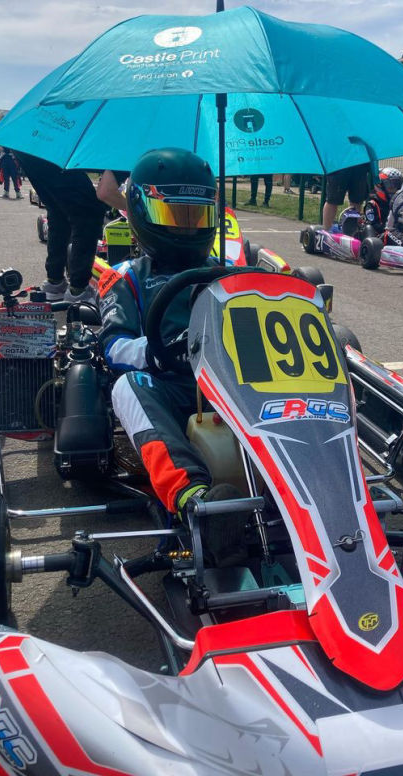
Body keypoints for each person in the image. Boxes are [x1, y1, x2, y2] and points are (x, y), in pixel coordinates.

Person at [98, 147, 245, 565]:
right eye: (175, 215)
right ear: (142, 213)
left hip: (239, 387)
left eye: (196, 217)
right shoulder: (126, 277)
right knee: (128, 386)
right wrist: (163, 353)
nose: (187, 227)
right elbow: (114, 345)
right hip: (171, 386)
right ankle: (195, 501)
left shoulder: (229, 272)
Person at [15, 150, 107, 304]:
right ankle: (79, 291)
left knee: (59, 210)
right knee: (89, 212)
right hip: (49, 150)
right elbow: (107, 191)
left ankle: (55, 281)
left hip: (31, 149)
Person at [363, 167, 403, 249]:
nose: (395, 189)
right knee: (390, 232)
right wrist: (395, 229)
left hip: (398, 235)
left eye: (397, 186)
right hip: (379, 238)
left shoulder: (399, 204)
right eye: (391, 186)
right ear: (380, 185)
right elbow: (374, 226)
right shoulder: (372, 204)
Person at [322, 163, 370, 231]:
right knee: (332, 200)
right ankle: (326, 230)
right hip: (339, 164)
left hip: (360, 163)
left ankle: (353, 230)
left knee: (357, 200)